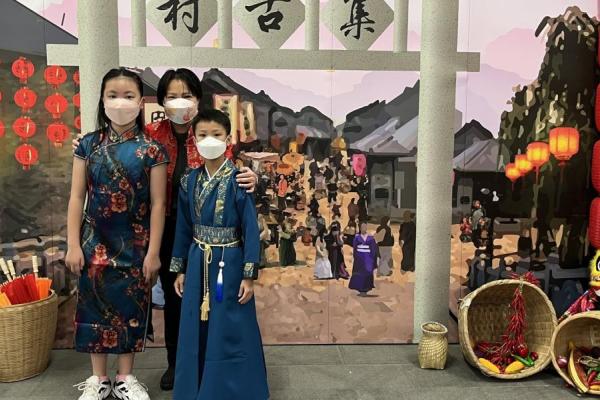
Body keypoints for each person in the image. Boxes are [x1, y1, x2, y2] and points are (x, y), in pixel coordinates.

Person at [73, 68, 258, 391]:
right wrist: (83, 143)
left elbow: (232, 174)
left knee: (214, 297)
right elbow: (117, 143)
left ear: (198, 99)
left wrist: (253, 178)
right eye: (172, 96)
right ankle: (178, 363)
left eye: (186, 95)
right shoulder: (151, 136)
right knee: (176, 299)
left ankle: (212, 362)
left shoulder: (211, 134)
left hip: (204, 230)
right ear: (160, 101)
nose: (179, 102)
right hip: (160, 228)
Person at [66, 68, 168, 400]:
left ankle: (125, 377)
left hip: (136, 244)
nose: (120, 102)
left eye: (128, 96)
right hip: (93, 242)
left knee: (129, 309)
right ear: (102, 100)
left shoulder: (152, 150)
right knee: (93, 307)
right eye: (113, 95)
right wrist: (73, 244)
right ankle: (99, 379)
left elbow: (158, 204)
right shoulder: (88, 144)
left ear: (140, 102)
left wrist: (153, 252)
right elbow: (76, 197)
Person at [170, 109, 269, 400]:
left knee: (230, 324)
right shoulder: (189, 181)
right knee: (195, 324)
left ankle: (234, 389)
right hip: (197, 259)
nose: (209, 140)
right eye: (202, 135)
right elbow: (183, 227)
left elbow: (250, 229)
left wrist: (249, 275)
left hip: (230, 262)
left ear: (227, 139)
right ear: (194, 139)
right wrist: (180, 268)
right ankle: (194, 388)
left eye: (216, 134)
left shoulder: (239, 179)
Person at [350, 222, 378, 296]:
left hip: (368, 259)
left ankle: (366, 288)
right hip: (359, 259)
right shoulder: (357, 238)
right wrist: (355, 258)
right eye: (362, 227)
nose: (363, 228)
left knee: (368, 272)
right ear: (360, 228)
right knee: (359, 273)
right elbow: (355, 249)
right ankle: (360, 289)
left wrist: (373, 260)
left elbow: (373, 250)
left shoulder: (371, 238)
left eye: (365, 227)